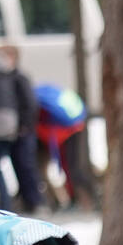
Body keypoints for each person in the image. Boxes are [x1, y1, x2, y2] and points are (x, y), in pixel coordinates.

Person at [0, 44, 43, 214]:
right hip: (15, 129)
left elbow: (30, 104)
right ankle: (25, 201)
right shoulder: (6, 77)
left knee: (25, 166)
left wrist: (25, 125)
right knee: (18, 166)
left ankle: (35, 201)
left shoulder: (19, 77)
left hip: (23, 130)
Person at [35, 83, 99, 212]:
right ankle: (85, 199)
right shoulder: (42, 102)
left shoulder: (37, 105)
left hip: (63, 133)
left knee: (71, 168)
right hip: (67, 131)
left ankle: (83, 200)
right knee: (71, 168)